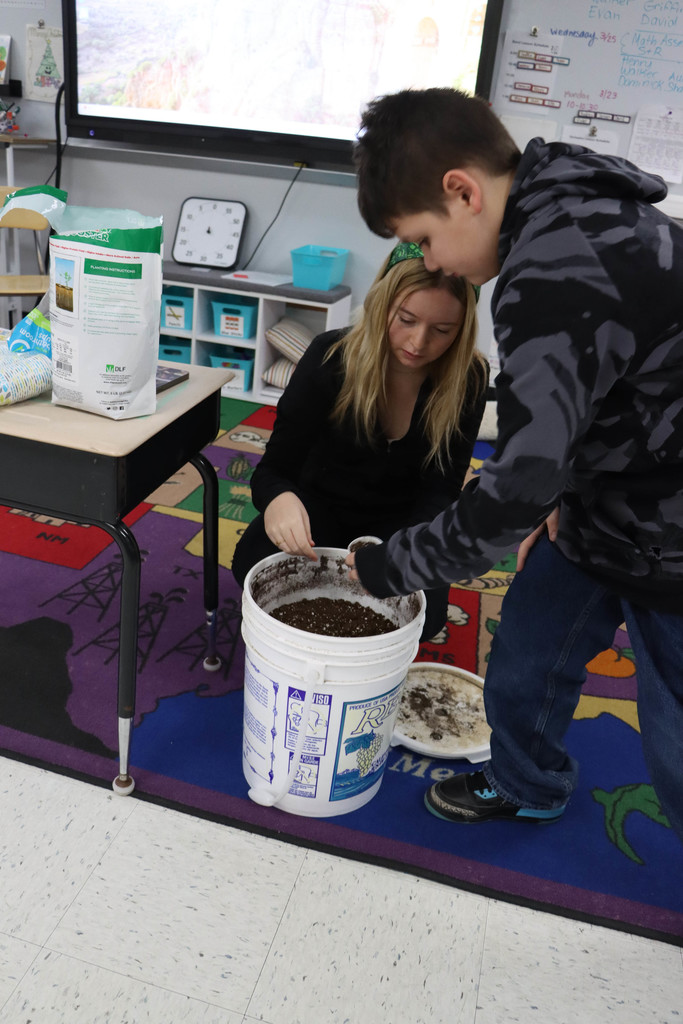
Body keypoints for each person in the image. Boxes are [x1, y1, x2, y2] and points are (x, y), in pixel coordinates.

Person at [348, 87, 683, 844]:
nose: (431, 262)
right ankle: (525, 782)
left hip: (673, 534)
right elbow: (592, 401)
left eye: (423, 239)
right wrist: (563, 489)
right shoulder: (559, 199)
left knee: (673, 739)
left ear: (461, 192)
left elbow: (515, 488)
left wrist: (390, 567)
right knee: (530, 649)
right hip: (609, 495)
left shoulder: (552, 270)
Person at [232, 245, 489, 642]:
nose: (418, 342)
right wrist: (279, 499)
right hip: (316, 512)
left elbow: (442, 490)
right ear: (381, 303)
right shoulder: (330, 356)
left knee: (428, 615)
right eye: (406, 319)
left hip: (402, 522)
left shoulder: (469, 378)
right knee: (254, 565)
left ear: (463, 329)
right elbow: (273, 470)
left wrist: (403, 550)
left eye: (442, 330)